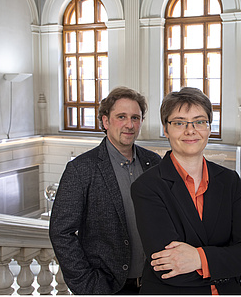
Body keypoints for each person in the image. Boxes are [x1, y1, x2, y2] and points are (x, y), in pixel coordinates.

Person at [131, 87, 241, 295]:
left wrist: (198, 259)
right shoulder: (147, 186)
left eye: (199, 121)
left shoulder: (229, 181)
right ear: (166, 129)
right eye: (179, 123)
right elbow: (167, 267)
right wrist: (225, 261)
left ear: (209, 128)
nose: (190, 130)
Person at [49, 86, 161, 295]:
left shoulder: (153, 163)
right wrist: (87, 285)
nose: (129, 125)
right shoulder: (81, 169)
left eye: (135, 118)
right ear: (105, 121)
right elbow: (61, 232)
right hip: (107, 287)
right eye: (121, 117)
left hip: (153, 285)